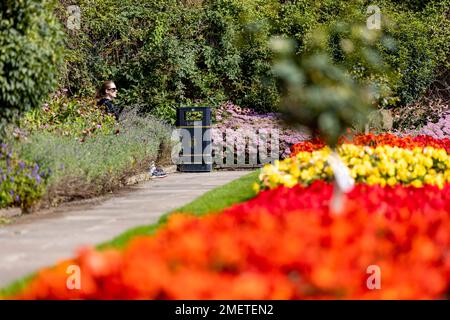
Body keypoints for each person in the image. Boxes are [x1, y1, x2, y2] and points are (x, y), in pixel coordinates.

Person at [97, 80, 167, 178]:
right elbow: (111, 123)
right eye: (113, 89)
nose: (116, 91)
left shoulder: (106, 103)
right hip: (113, 135)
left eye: (116, 89)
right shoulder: (106, 104)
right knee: (144, 141)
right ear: (106, 91)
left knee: (143, 139)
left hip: (114, 133)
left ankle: (151, 168)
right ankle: (151, 170)